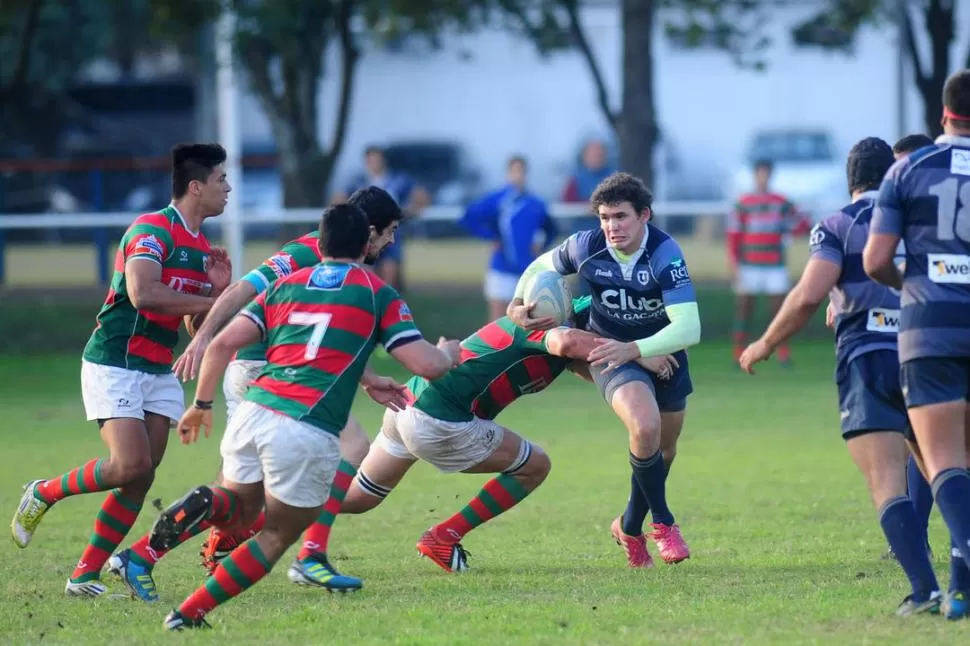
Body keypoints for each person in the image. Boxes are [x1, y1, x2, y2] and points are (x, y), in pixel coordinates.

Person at [153, 204, 459, 630]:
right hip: (304, 426)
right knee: (277, 534)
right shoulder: (375, 292)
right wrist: (448, 353)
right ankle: (188, 613)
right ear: (366, 242)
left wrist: (200, 405)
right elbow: (425, 365)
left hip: (254, 411)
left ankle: (207, 503)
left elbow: (222, 345)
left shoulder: (287, 284)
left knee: (238, 511)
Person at [108, 187, 406, 601]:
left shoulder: (343, 267)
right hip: (262, 372)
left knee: (239, 499)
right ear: (370, 231)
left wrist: (368, 378)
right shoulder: (307, 253)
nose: (391, 242)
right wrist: (204, 337)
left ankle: (143, 555)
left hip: (273, 373)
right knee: (352, 448)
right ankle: (310, 553)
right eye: (389, 232)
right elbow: (240, 292)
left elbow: (319, 339)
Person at [10, 143, 233, 597]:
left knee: (141, 475)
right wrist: (216, 302)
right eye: (220, 180)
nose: (228, 188)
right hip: (114, 361)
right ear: (196, 187)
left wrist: (216, 290)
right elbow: (143, 294)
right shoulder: (151, 230)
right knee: (128, 464)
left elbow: (191, 325)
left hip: (156, 368)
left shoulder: (201, 245)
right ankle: (44, 491)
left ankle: (82, 576)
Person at [739, 137, 943, 616]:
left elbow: (810, 293)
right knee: (947, 470)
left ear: (850, 179)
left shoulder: (837, 224)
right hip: (927, 352)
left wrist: (765, 343)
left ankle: (925, 590)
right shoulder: (920, 221)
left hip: (870, 359)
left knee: (887, 481)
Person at [507, 172, 701, 568]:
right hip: (610, 350)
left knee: (663, 450)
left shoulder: (665, 253)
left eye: (620, 217)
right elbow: (537, 268)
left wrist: (639, 348)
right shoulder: (586, 246)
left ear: (644, 215)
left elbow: (689, 328)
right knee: (643, 428)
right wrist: (515, 302)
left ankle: (628, 526)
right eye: (604, 217)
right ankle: (663, 523)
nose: (611, 227)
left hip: (664, 354)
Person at [864, 69, 970, 620]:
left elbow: (877, 260)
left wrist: (917, 287)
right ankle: (959, 592)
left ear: (944, 115)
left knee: (944, 459)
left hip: (930, 327)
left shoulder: (909, 169)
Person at [460, 155, 557, 321]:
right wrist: (491, 237)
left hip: (527, 269)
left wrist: (541, 246)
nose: (518, 175)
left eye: (521, 171)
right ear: (508, 173)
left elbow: (551, 228)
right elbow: (468, 218)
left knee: (529, 318)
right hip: (501, 267)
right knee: (497, 321)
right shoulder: (498, 199)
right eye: (514, 171)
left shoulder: (535, 202)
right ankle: (495, 348)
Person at [728, 159, 799, 366]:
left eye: (766, 173)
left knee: (780, 309)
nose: (763, 177)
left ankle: (783, 353)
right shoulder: (744, 202)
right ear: (755, 175)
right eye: (760, 173)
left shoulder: (781, 202)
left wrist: (790, 230)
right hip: (749, 264)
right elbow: (733, 235)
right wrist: (733, 263)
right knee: (744, 308)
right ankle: (738, 351)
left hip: (774, 265)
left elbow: (800, 222)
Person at [334, 145, 430, 291]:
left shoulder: (398, 180)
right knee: (365, 275)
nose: (374, 164)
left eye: (377, 160)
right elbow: (338, 201)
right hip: (365, 236)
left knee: (389, 276)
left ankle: (386, 306)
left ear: (383, 160)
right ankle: (368, 306)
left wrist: (407, 211)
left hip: (389, 236)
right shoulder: (358, 182)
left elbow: (422, 197)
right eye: (370, 160)